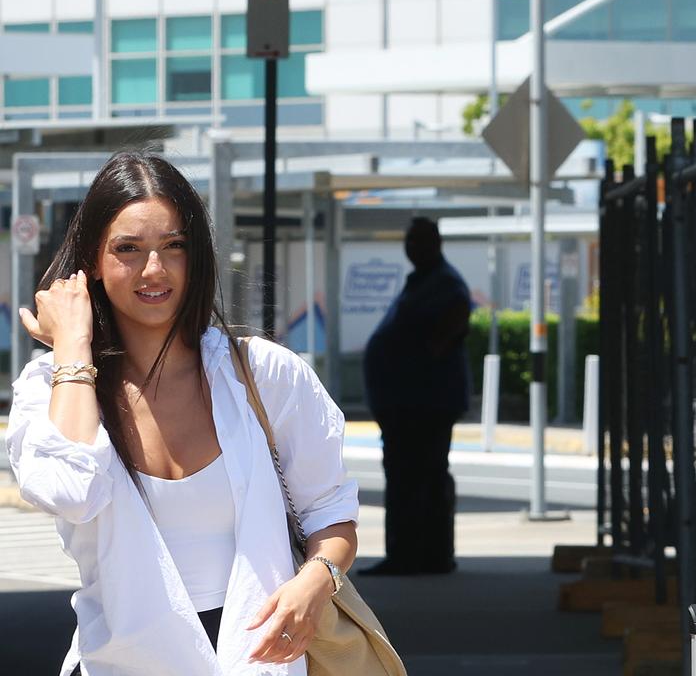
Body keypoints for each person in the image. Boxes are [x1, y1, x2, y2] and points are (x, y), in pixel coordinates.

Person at [5, 152, 359, 675]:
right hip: (117, 665)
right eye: (128, 249)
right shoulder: (50, 388)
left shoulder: (262, 373)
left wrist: (314, 582)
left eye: (174, 246)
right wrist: (74, 348)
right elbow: (71, 493)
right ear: (93, 264)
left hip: (257, 661)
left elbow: (331, 512)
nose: (154, 270)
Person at [360, 217, 472, 576]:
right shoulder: (424, 282)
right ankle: (410, 553)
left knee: (422, 478)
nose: (412, 248)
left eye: (418, 240)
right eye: (409, 240)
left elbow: (443, 337)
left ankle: (425, 555)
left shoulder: (447, 286)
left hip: (425, 403)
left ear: (435, 243)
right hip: (407, 402)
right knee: (409, 478)